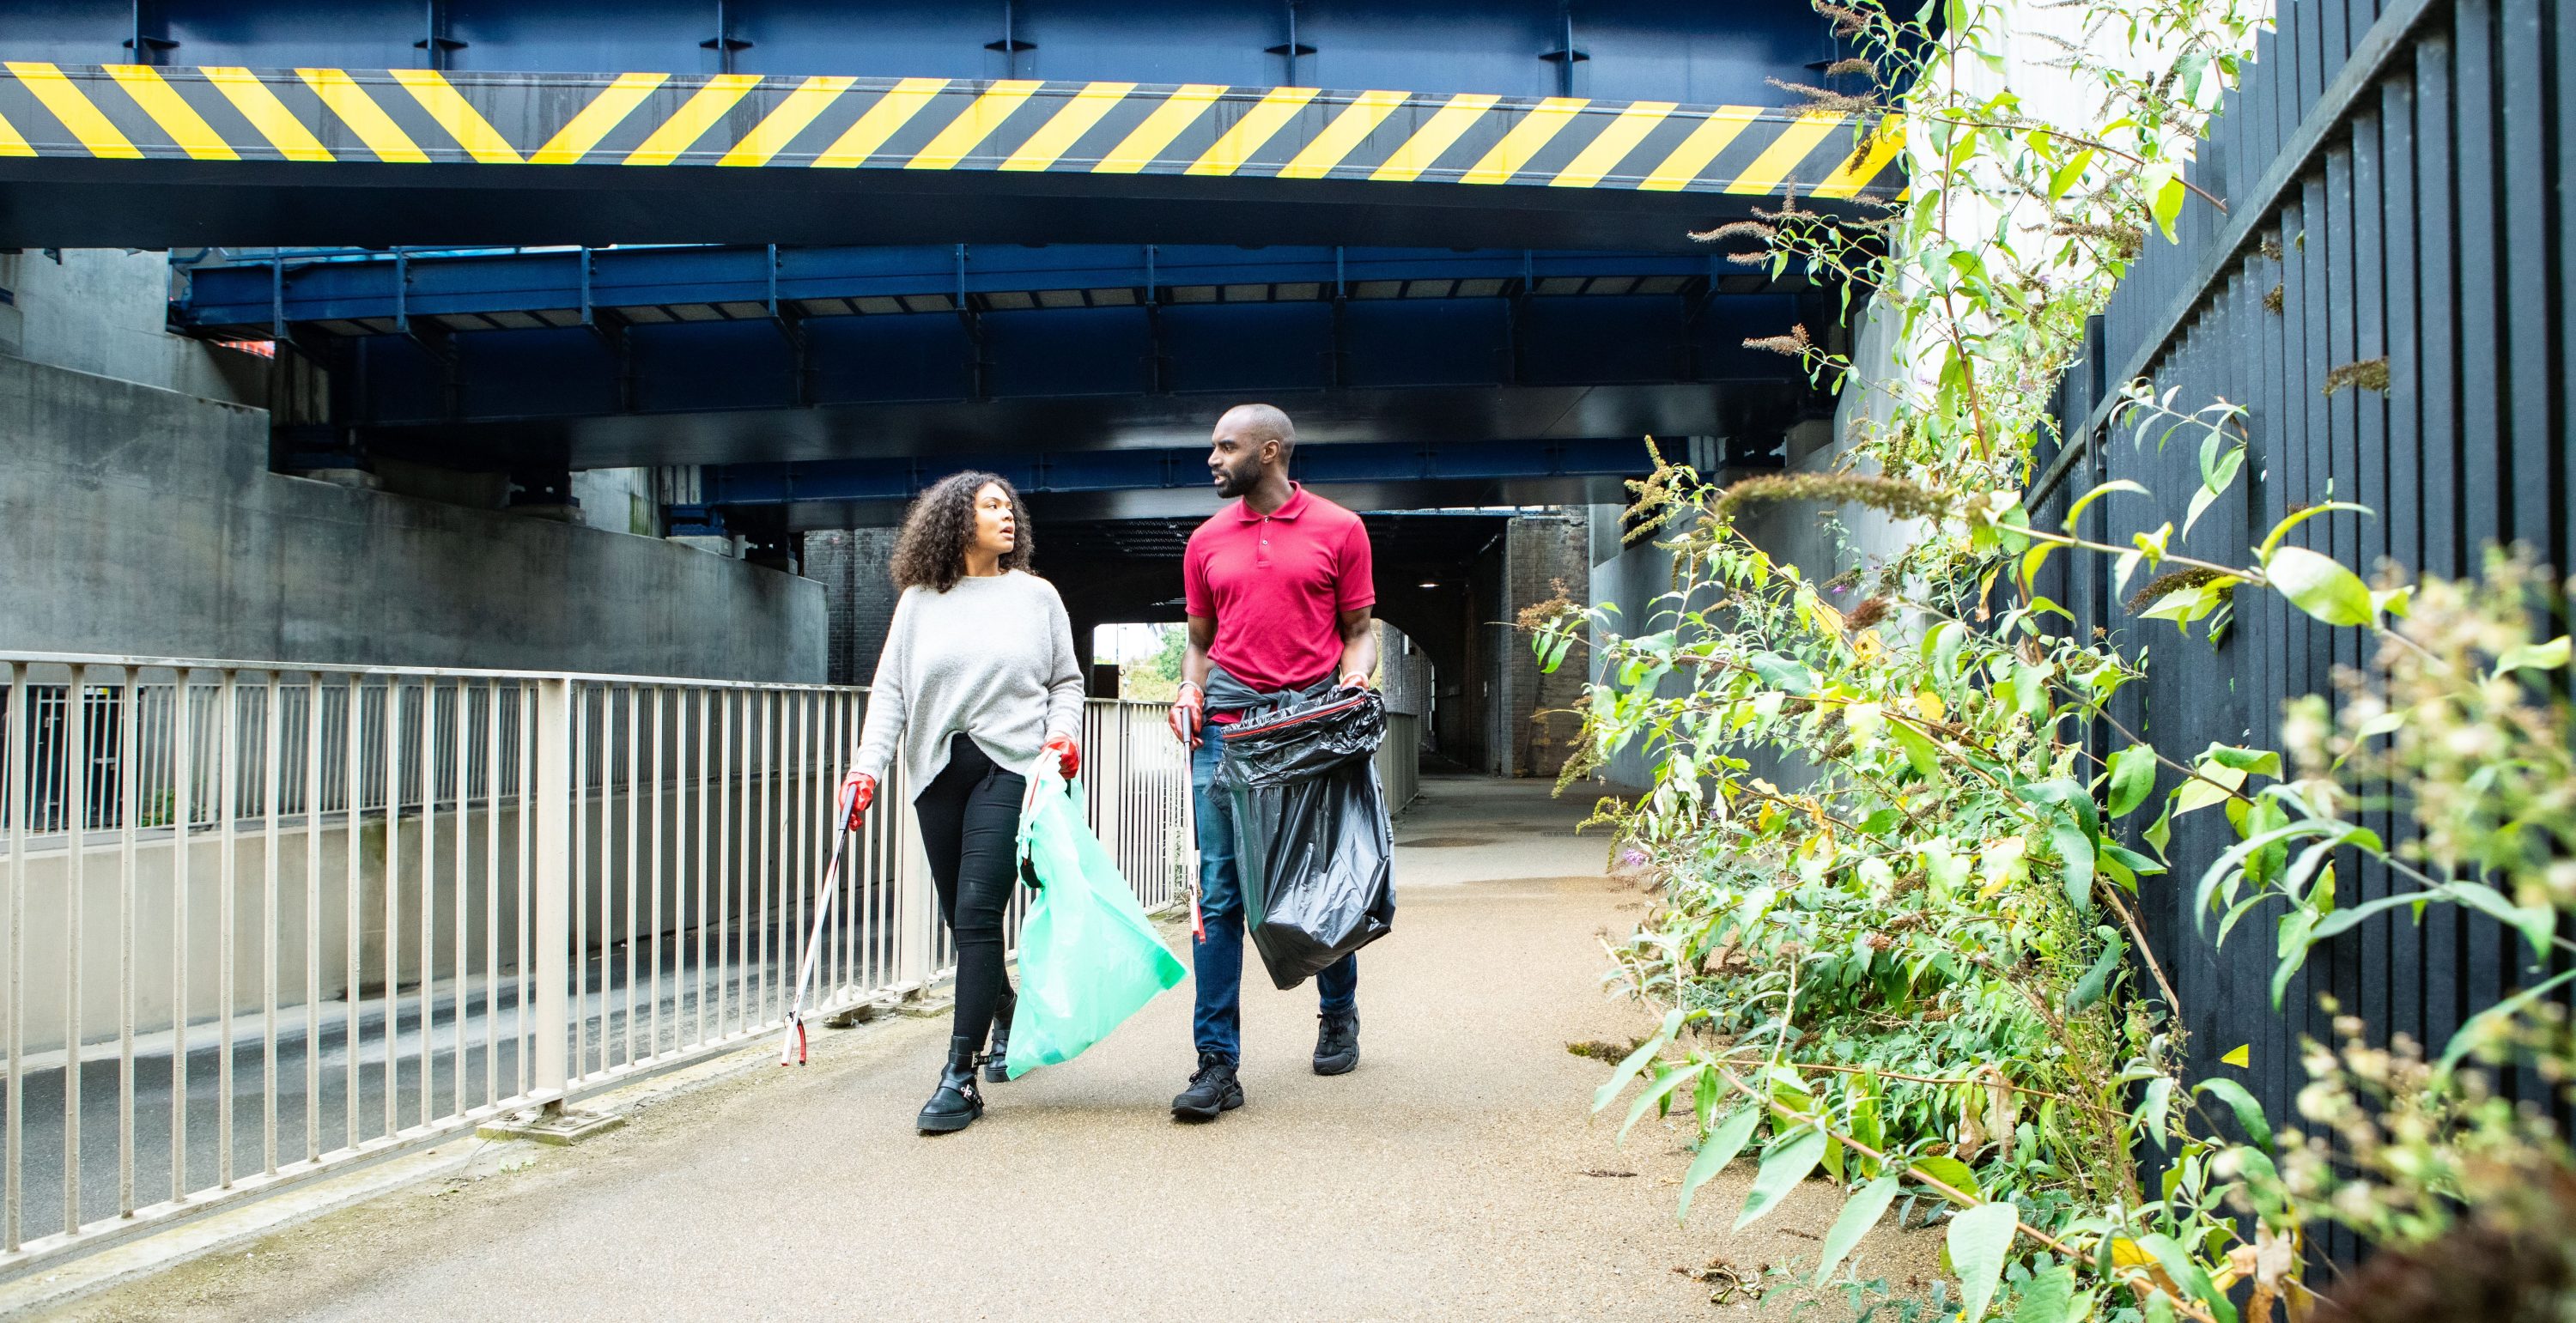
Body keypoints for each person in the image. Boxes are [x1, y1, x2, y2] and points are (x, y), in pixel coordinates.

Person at [843, 470, 1084, 1134]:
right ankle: (1003, 1008)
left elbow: (1067, 681)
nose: (1007, 516)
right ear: (956, 520)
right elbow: (890, 692)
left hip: (1010, 768)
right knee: (962, 919)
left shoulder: (1037, 597)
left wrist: (1062, 735)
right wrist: (866, 770)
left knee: (979, 912)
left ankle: (958, 1076)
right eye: (990, 507)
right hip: (936, 771)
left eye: (1010, 507)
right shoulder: (920, 602)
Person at [1167, 403, 1378, 1122]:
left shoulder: (1341, 529)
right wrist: (1190, 688)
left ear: (1270, 450)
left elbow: (1358, 632)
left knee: (1316, 881)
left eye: (1225, 447)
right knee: (1220, 898)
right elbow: (1199, 641)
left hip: (1309, 730)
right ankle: (1216, 1064)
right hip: (1225, 732)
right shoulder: (1204, 541)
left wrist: (1356, 680)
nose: (1212, 459)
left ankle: (1338, 1012)